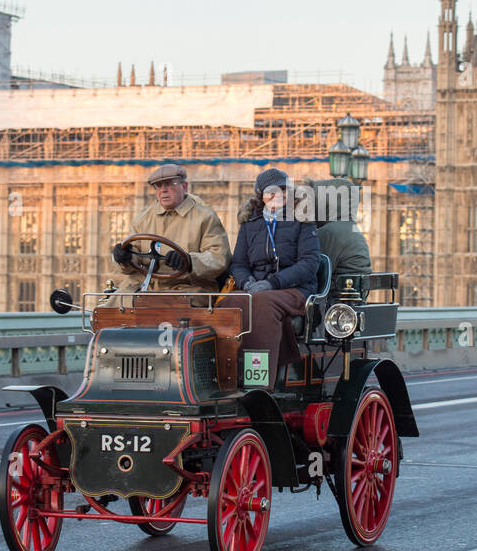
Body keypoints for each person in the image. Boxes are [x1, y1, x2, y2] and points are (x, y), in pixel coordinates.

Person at [231, 168, 321, 390]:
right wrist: (247, 282)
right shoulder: (250, 224)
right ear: (260, 196)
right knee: (228, 304)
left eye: (283, 190)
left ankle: (258, 382)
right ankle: (228, 376)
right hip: (256, 287)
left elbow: (310, 263)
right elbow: (238, 264)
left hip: (295, 289)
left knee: (263, 303)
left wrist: (273, 283)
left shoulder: (302, 220)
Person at [112, 163, 230, 294]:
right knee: (107, 311)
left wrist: (189, 261)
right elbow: (133, 259)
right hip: (142, 286)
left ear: (184, 187)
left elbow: (219, 258)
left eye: (170, 184)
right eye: (158, 186)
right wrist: (124, 258)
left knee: (165, 309)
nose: (163, 190)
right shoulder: (142, 219)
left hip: (188, 287)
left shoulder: (205, 217)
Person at [306, 178, 371, 276]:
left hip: (335, 289)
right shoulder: (351, 228)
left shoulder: (329, 232)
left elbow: (312, 271)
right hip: (352, 287)